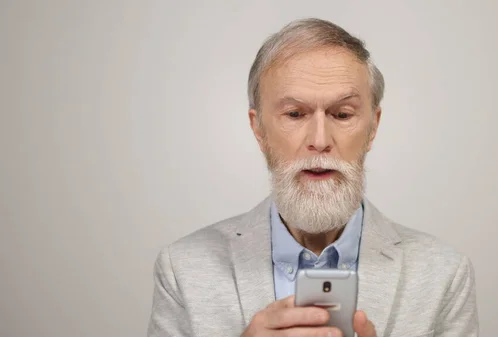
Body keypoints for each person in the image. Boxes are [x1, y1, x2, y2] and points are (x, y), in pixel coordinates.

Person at [147, 18, 479, 337]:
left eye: (342, 114)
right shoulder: (184, 269)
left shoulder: (444, 274)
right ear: (258, 128)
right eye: (295, 114)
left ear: (373, 126)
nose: (320, 140)